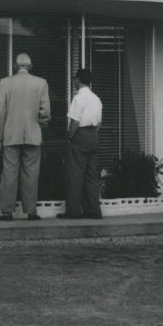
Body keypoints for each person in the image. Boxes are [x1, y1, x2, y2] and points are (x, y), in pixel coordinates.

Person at [0, 52, 51, 221]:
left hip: (11, 134)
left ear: (15, 66)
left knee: (9, 172)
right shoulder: (41, 83)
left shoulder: (5, 83)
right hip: (33, 133)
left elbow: (0, 113)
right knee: (32, 173)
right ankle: (31, 211)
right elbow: (46, 111)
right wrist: (41, 122)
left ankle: (7, 211)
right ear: (30, 66)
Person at [60, 67, 103, 219]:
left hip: (80, 136)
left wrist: (70, 137)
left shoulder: (78, 98)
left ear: (78, 80)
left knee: (75, 174)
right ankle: (93, 210)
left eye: (75, 79)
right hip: (93, 135)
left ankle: (73, 211)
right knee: (91, 175)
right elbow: (98, 123)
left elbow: (75, 122)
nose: (74, 82)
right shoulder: (96, 98)